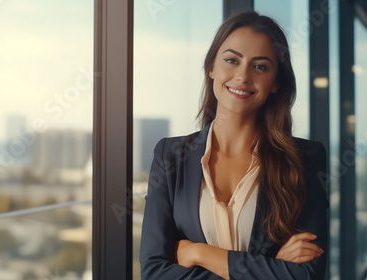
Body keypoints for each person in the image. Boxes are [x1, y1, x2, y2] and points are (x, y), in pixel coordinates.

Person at [139, 11, 328, 280]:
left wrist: (199, 253)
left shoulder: (305, 159)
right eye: (231, 60)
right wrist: (270, 266)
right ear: (212, 68)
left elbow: (306, 274)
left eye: (260, 66)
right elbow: (154, 272)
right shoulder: (170, 156)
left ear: (275, 83)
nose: (242, 76)